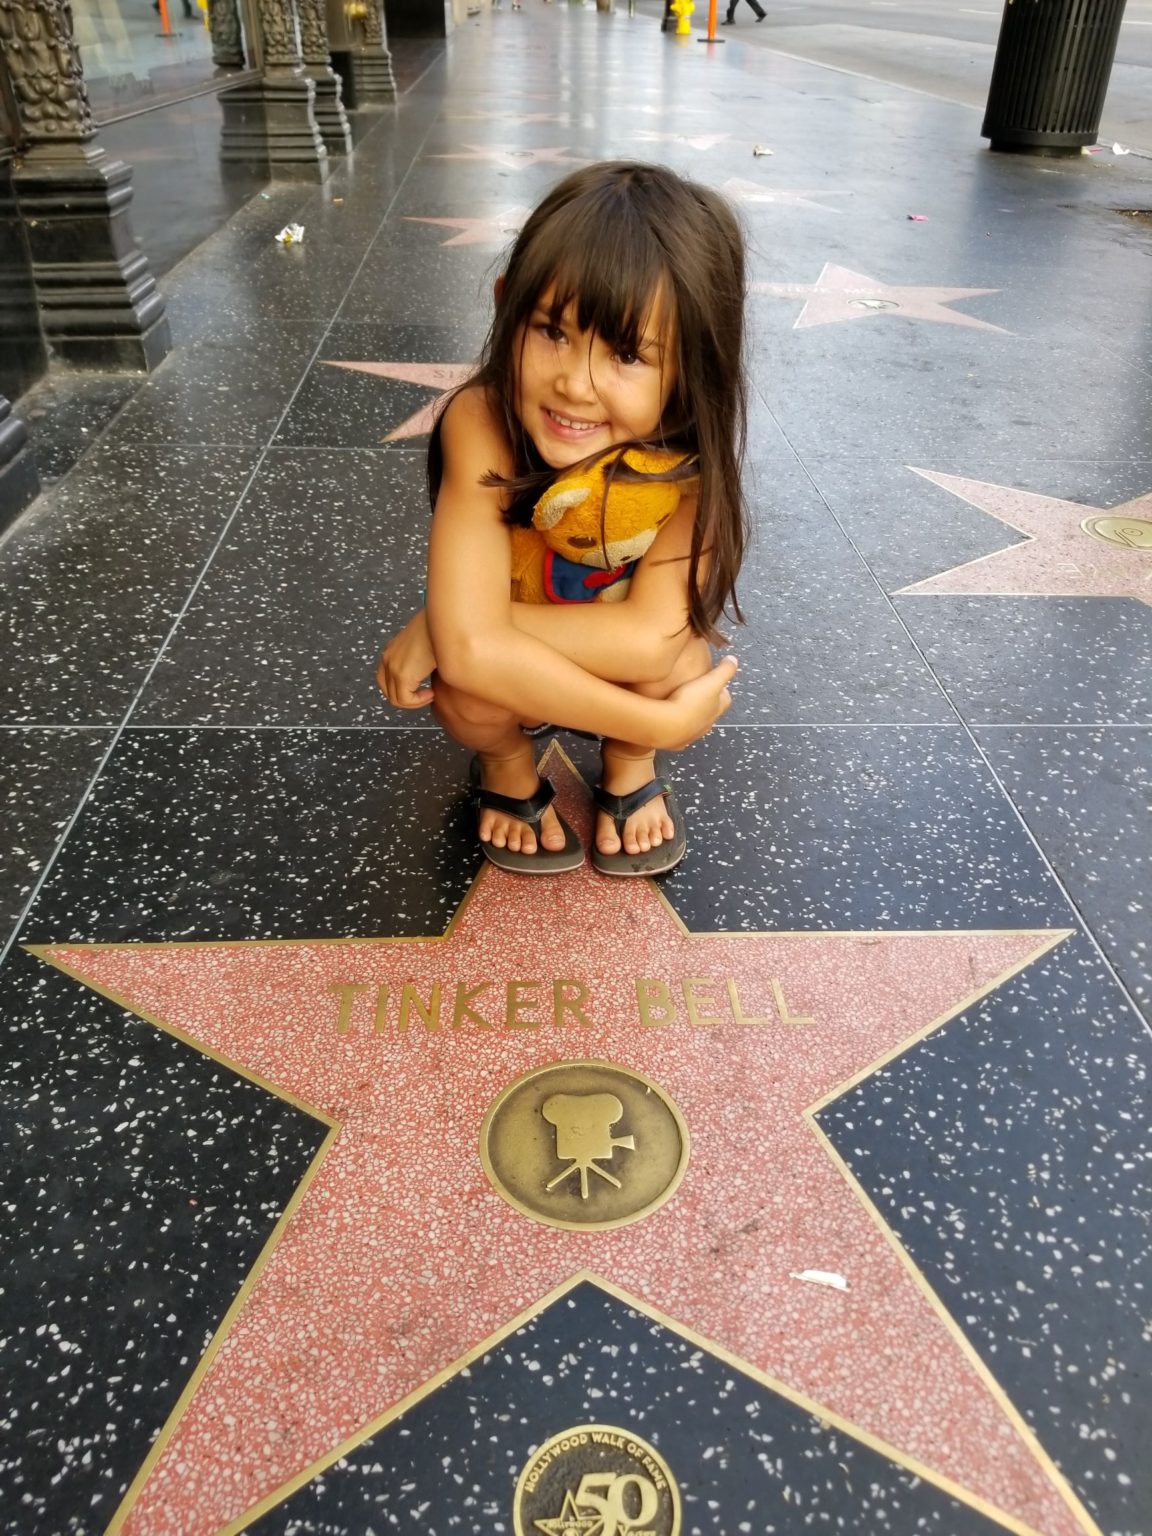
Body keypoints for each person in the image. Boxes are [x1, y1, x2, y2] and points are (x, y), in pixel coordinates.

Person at [378, 162, 749, 877]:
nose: (575, 382)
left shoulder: (689, 464)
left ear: (691, 367)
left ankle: (628, 767)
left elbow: (645, 642)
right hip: (515, 657)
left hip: (600, 653)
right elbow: (472, 656)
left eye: (628, 353)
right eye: (551, 329)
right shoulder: (481, 418)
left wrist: (448, 626)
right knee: (464, 691)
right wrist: (665, 726)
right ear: (505, 307)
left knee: (676, 662)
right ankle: (509, 766)